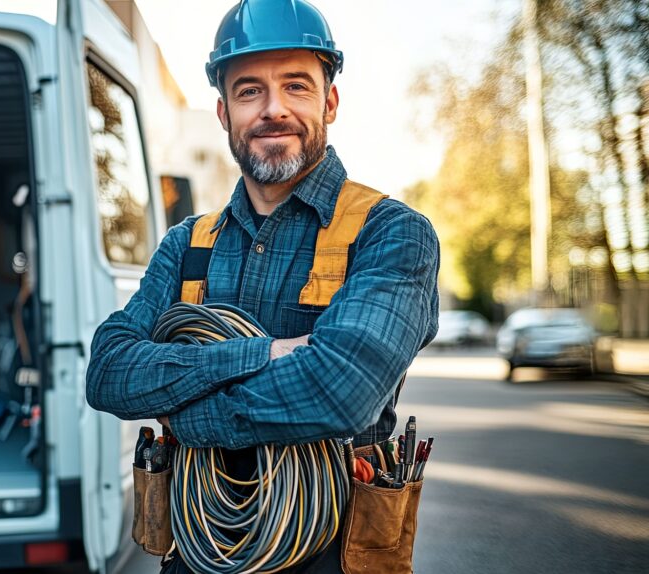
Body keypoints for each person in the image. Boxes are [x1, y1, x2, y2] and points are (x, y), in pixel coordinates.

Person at [85, 0, 440, 572]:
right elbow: (107, 373)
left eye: (296, 86)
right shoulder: (187, 244)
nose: (273, 109)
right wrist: (269, 353)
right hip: (197, 552)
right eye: (249, 90)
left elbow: (339, 392)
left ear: (329, 101)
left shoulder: (391, 232)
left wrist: (184, 418)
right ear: (224, 113)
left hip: (327, 555)